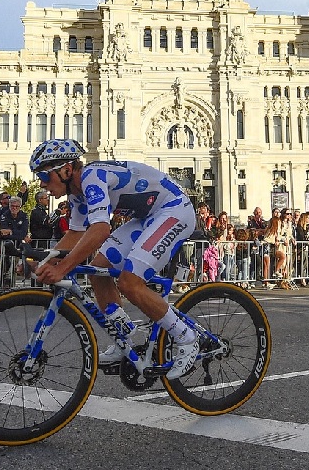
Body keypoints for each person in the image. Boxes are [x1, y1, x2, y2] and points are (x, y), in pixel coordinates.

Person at [29, 139, 199, 379]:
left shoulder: (92, 177)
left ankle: (187, 337)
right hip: (147, 217)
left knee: (130, 282)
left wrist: (63, 268)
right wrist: (45, 263)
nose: (42, 184)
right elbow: (75, 234)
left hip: (174, 210)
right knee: (97, 270)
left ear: (66, 170)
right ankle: (123, 336)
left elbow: (100, 230)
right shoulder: (77, 195)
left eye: (44, 177)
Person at [0, 196, 29, 288]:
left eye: (17, 206)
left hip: (17, 245)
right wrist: (13, 233)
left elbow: (23, 233)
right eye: (12, 206)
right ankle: (3, 285)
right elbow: (3, 232)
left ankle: (11, 284)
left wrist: (11, 231)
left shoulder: (24, 216)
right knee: (5, 264)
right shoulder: (4, 215)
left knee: (14, 263)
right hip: (6, 245)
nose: (14, 208)